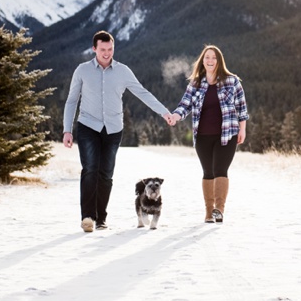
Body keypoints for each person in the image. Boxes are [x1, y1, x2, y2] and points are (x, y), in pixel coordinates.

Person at [63, 30, 175, 232]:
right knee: (90, 170)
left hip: (113, 129)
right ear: (94, 49)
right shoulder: (82, 70)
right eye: (103, 49)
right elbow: (72, 100)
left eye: (110, 49)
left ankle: (101, 218)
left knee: (106, 174)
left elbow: (142, 93)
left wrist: (164, 112)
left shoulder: (123, 71)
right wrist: (67, 130)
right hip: (88, 125)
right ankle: (87, 217)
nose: (107, 53)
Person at [168, 44, 248, 223]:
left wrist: (242, 129)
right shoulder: (195, 83)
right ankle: (209, 211)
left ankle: (219, 209)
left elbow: (242, 107)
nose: (210, 60)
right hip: (203, 135)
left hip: (227, 135)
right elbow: (185, 105)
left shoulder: (232, 81)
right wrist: (175, 115)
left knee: (220, 169)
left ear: (219, 61)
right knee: (207, 172)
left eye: (214, 57)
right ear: (202, 61)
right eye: (207, 57)